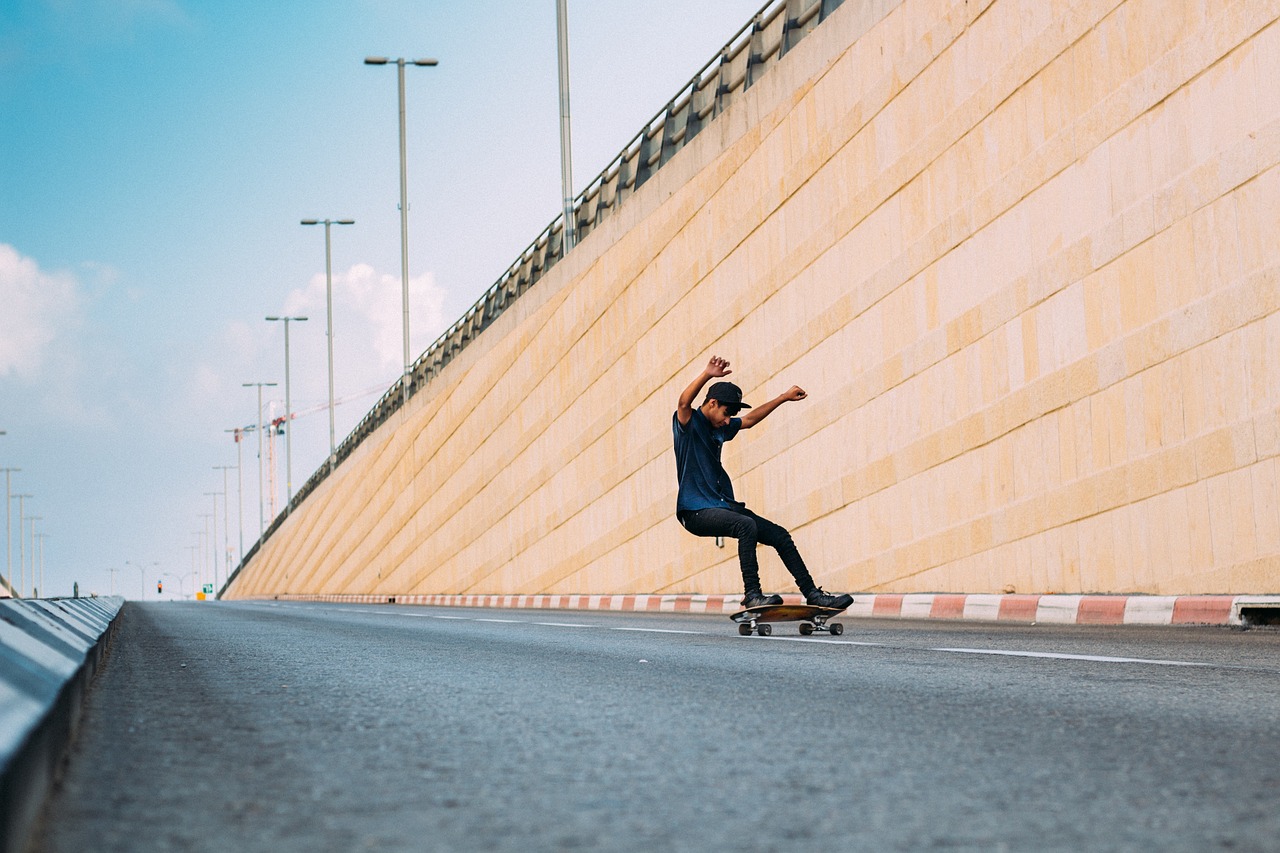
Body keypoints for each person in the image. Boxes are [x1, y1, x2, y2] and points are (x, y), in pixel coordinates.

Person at [673, 355, 853, 610]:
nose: (727, 421)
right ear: (712, 403)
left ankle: (813, 594)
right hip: (695, 511)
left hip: (722, 506)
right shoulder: (688, 422)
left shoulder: (720, 428)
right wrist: (707, 374)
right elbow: (683, 401)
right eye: (726, 414)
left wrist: (783, 398)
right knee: (746, 526)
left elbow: (749, 420)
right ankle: (752, 594)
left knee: (779, 535)